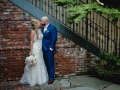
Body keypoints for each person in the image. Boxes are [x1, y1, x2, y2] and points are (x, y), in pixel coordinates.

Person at [20, 19, 48, 86]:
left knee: (40, 62)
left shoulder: (40, 30)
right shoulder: (32, 32)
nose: (40, 23)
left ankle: (41, 78)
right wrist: (31, 51)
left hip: (40, 49)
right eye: (38, 22)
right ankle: (33, 79)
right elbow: (32, 41)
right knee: (36, 63)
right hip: (36, 49)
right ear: (36, 24)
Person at [41, 16, 57, 84]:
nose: (41, 22)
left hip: (49, 49)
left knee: (50, 63)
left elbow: (54, 38)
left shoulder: (52, 28)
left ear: (46, 21)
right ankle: (47, 76)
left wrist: (51, 47)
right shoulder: (42, 28)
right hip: (43, 48)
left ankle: (51, 78)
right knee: (46, 63)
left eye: (42, 21)